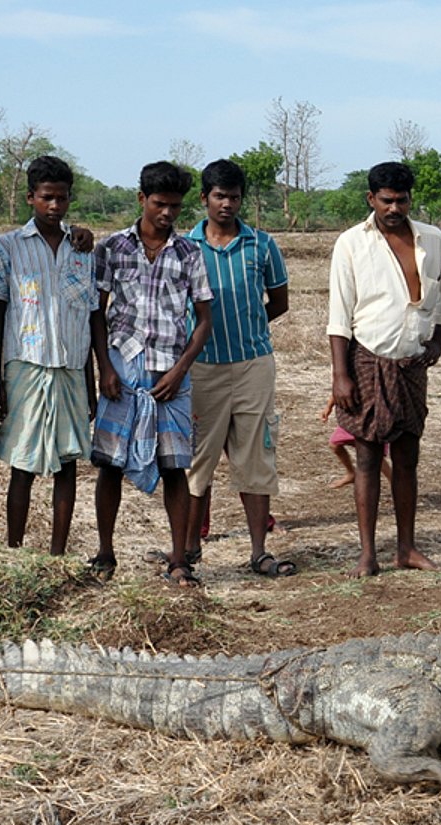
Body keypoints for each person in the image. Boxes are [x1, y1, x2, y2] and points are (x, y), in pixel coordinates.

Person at [327, 161, 441, 577]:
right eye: (386, 200)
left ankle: (406, 548)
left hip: (411, 364)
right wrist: (340, 375)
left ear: (410, 199)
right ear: (371, 199)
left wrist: (438, 341)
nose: (394, 208)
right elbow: (339, 314)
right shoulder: (351, 244)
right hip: (366, 359)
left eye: (402, 200)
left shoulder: (433, 241)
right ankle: (368, 554)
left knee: (407, 457)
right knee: (366, 457)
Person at [89, 161, 213, 586]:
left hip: (169, 372)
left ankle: (179, 560)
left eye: (175, 206)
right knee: (109, 463)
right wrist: (104, 366)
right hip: (122, 368)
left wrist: (181, 371)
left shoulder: (189, 253)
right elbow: (97, 313)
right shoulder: (112, 248)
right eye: (160, 204)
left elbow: (203, 320)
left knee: (175, 465)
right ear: (141, 199)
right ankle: (105, 553)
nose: (167, 213)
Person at [182, 159, 295, 578]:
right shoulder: (185, 246)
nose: (227, 204)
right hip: (202, 368)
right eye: (219, 196)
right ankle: (189, 551)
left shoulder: (262, 245)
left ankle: (259, 552)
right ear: (204, 198)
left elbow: (278, 302)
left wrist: (246, 329)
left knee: (256, 458)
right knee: (197, 461)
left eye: (234, 197)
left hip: (253, 366)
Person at [0, 156, 98, 556]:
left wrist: (91, 381)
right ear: (30, 198)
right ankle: (14, 553)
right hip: (26, 366)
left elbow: (89, 316)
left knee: (67, 463)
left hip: (70, 368)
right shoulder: (9, 247)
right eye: (47, 198)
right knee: (23, 465)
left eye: (62, 198)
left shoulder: (83, 248)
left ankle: (57, 554)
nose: (55, 206)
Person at [321, 398, 392, 489]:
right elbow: (338, 388)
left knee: (375, 454)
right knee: (335, 444)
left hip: (371, 417)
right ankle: (351, 473)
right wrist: (329, 407)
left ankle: (394, 483)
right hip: (352, 418)